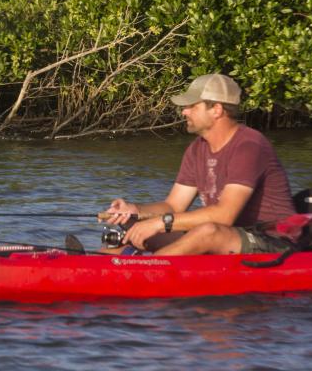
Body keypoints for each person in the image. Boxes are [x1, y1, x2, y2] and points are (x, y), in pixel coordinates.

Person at [99, 73, 295, 255]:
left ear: (216, 110)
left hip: (273, 240)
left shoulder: (249, 146)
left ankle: (142, 271)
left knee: (206, 231)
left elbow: (224, 215)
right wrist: (137, 210)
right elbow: (173, 205)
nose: (184, 112)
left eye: (191, 106)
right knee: (139, 228)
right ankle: (89, 263)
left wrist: (160, 223)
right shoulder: (197, 149)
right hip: (228, 234)